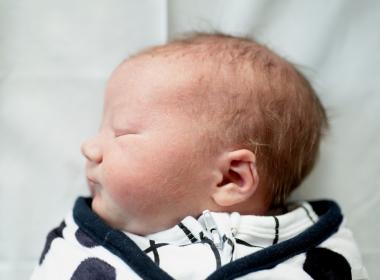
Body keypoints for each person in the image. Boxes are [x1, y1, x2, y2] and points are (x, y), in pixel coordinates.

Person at [31, 33, 368, 279]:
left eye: (122, 133)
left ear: (230, 178)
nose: (89, 147)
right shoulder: (84, 248)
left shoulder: (316, 259)